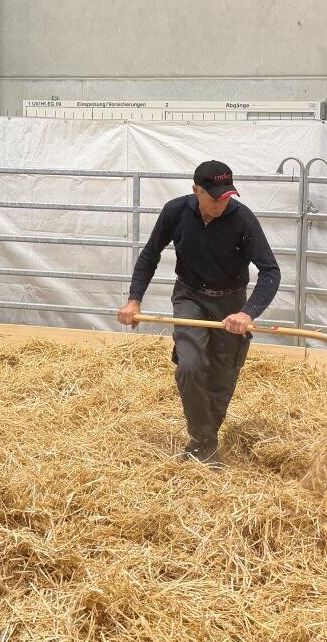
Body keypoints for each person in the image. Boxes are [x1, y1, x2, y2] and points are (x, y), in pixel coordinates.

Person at [118, 160, 281, 465]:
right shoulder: (176, 212)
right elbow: (150, 254)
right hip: (189, 296)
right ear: (196, 190)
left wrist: (247, 313)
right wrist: (134, 299)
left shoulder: (243, 220)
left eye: (227, 196)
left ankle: (202, 445)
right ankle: (204, 442)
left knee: (223, 376)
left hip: (231, 302)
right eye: (214, 196)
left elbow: (271, 272)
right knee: (190, 365)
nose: (221, 202)